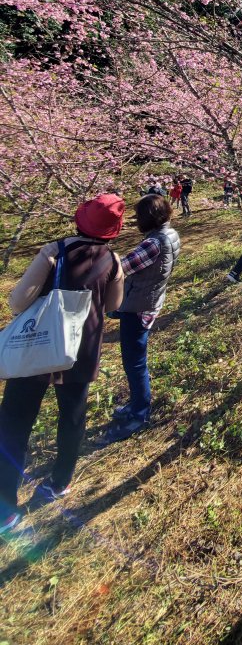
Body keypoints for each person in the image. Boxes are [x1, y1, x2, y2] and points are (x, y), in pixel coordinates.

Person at [0, 194, 125, 533]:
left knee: (14, 423)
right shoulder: (113, 260)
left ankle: (6, 507)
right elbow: (114, 303)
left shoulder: (55, 251)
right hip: (79, 350)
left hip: (38, 348)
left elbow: (16, 302)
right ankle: (60, 481)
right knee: (72, 416)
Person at [102, 195, 181, 443]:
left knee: (134, 363)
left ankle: (139, 413)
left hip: (138, 306)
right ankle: (137, 403)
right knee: (136, 360)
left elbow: (120, 269)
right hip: (149, 301)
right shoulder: (171, 234)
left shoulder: (153, 244)